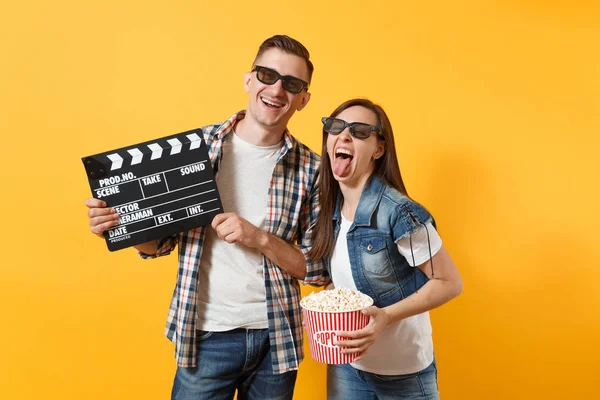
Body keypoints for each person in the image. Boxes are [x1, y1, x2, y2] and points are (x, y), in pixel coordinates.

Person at [85, 35, 328, 400]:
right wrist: (122, 226)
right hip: (206, 334)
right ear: (249, 80)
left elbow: (316, 268)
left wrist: (259, 237)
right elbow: (159, 244)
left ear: (303, 99)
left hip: (276, 337)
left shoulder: (312, 170)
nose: (276, 89)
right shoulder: (196, 149)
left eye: (291, 84)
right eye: (267, 75)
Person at [308, 98, 463, 400]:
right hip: (348, 367)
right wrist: (323, 311)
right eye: (336, 127)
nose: (345, 136)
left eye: (360, 131)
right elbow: (344, 280)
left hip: (404, 374)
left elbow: (450, 283)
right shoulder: (330, 212)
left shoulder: (400, 213)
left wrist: (386, 316)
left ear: (379, 149)